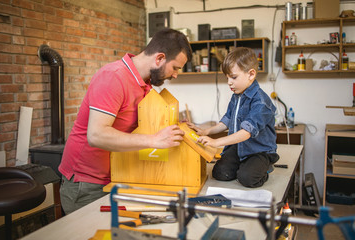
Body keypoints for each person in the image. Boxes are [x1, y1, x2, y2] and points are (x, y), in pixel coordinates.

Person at [59, 28, 192, 214]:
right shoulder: (113, 77)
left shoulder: (145, 83)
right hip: (87, 184)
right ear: (160, 58)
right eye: (175, 68)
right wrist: (154, 140)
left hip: (116, 176)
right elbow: (96, 135)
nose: (176, 75)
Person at [188, 47, 279, 188]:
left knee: (247, 179)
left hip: (259, 152)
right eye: (227, 78)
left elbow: (246, 133)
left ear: (251, 74)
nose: (229, 82)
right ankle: (244, 165)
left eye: (233, 77)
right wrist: (206, 132)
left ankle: (264, 168)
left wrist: (215, 142)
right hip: (239, 147)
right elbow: (227, 120)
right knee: (220, 173)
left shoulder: (261, 102)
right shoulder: (236, 96)